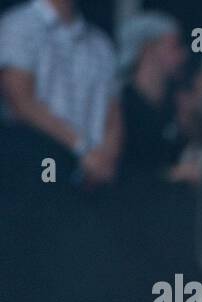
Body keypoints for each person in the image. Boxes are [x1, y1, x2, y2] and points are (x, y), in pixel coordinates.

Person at [0, 0, 120, 188]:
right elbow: (20, 102)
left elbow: (113, 112)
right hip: (37, 167)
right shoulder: (18, 26)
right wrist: (81, 149)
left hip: (93, 180)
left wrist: (105, 159)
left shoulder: (100, 44)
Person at [115, 10, 188, 181]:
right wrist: (172, 174)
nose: (183, 55)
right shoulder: (121, 106)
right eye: (174, 46)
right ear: (148, 49)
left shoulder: (172, 107)